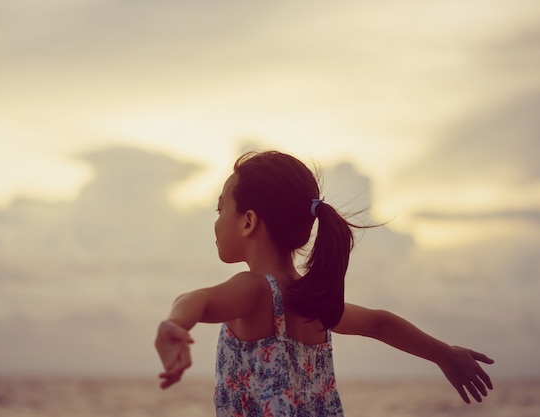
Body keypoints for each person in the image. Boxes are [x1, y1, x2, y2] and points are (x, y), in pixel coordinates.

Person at [155, 150, 494, 416]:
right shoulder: (312, 300)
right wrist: (445, 355)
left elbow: (198, 299)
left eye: (220, 209)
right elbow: (379, 323)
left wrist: (174, 323)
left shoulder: (255, 289)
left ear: (248, 222)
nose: (215, 222)